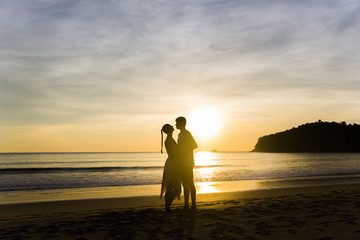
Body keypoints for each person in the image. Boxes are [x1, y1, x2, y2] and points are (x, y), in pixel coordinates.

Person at [175, 116, 198, 210]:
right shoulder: (180, 135)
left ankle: (193, 205)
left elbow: (195, 145)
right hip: (181, 162)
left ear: (181, 123)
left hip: (187, 162)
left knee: (190, 184)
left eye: (177, 123)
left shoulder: (187, 134)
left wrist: (183, 153)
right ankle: (186, 205)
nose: (175, 124)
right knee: (184, 184)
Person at [160, 124, 181, 212]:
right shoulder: (168, 140)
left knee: (173, 185)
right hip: (173, 164)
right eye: (171, 126)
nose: (173, 127)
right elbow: (172, 154)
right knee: (171, 185)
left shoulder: (170, 139)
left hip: (173, 163)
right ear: (168, 130)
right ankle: (167, 207)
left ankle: (168, 206)